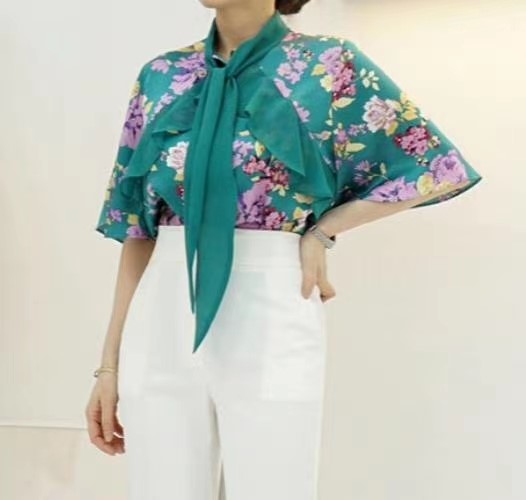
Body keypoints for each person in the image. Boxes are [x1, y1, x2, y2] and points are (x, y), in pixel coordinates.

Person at [85, 1, 483, 499]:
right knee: (161, 489)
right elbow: (138, 229)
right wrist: (109, 365)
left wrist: (323, 230)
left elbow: (435, 166)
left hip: (270, 300)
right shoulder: (162, 75)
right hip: (163, 305)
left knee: (274, 485)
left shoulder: (329, 65)